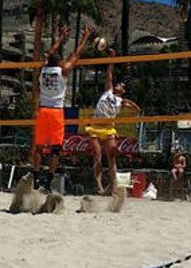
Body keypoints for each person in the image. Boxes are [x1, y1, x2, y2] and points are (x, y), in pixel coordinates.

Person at [31, 23, 95, 191]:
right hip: (57, 112)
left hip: (43, 110)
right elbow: (76, 54)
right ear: (59, 61)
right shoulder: (63, 70)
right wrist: (85, 37)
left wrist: (60, 38)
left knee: (38, 147)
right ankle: (48, 178)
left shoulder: (42, 70)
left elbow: (51, 53)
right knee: (55, 149)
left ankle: (36, 177)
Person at [84, 48, 140, 195]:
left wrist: (131, 104)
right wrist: (112, 58)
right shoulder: (108, 91)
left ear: (124, 90)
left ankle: (114, 187)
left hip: (108, 128)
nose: (118, 85)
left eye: (121, 85)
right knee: (97, 157)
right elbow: (109, 74)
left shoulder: (122, 101)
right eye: (118, 84)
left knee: (112, 157)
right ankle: (99, 187)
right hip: (95, 126)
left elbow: (137, 108)